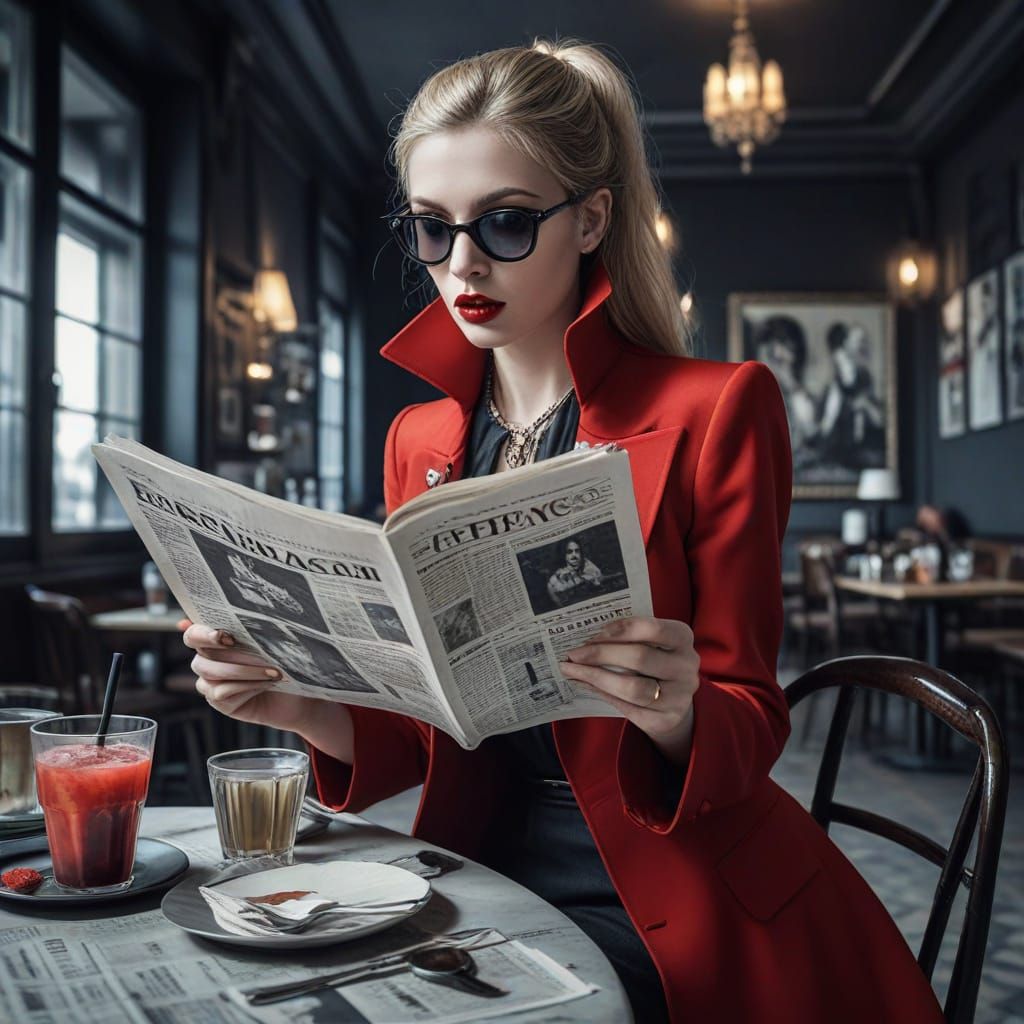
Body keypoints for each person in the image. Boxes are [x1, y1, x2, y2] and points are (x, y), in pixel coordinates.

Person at [181, 40, 943, 1023]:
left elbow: (751, 718)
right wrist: (296, 701)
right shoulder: (419, 436)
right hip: (479, 866)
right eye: (431, 228)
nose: (462, 263)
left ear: (589, 217)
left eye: (504, 222)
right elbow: (434, 723)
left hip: (672, 879)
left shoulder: (720, 407)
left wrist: (672, 709)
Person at [546, 538, 603, 607]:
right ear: (563, 554)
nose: (574, 555)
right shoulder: (554, 581)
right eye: (569, 552)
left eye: (577, 551)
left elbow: (600, 581)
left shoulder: (588, 565)